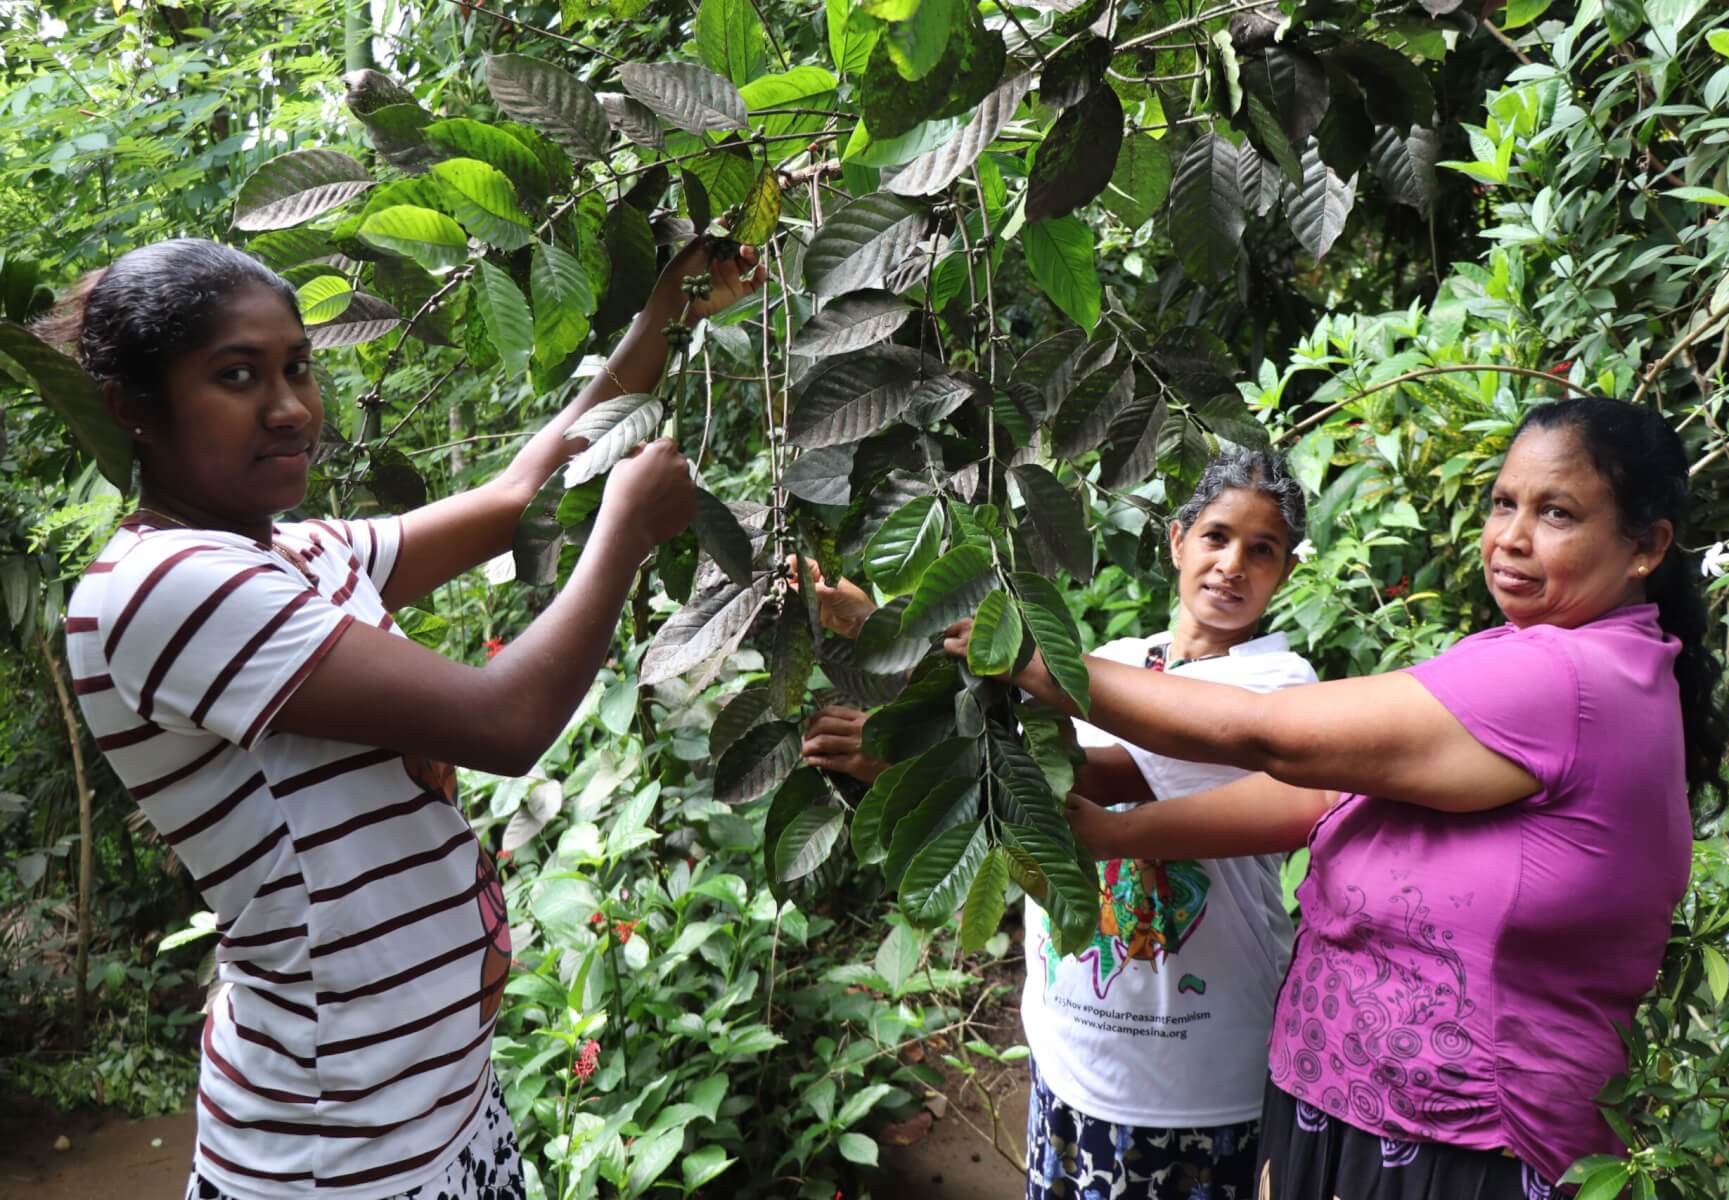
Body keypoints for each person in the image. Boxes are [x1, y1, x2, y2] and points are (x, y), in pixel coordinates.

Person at [44, 236, 764, 1200]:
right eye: (237, 375)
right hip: (335, 1149)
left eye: (297, 365)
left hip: (436, 1106)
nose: (290, 405)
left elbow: (520, 497)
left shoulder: (297, 552)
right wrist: (625, 532)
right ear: (133, 406)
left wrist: (665, 312)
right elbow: (504, 722)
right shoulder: (161, 585)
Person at [944, 398, 1725, 1199]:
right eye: (1503, 503)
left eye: (1556, 512)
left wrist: (1041, 664)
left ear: (1646, 547)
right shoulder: (1531, 654)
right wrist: (1111, 831)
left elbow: (1272, 736)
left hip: (1452, 1143)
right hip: (1363, 1115)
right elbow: (1320, 792)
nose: (1512, 537)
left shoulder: (1565, 679)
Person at [801, 450, 1320, 1200]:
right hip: (1072, 1058)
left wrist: (892, 735)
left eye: (1261, 550)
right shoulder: (1108, 666)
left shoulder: (1277, 690)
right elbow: (1017, 783)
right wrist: (881, 642)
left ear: (1283, 574)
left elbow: (1094, 773)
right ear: (1176, 541)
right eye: (1216, 537)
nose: (1233, 564)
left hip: (1197, 1082)